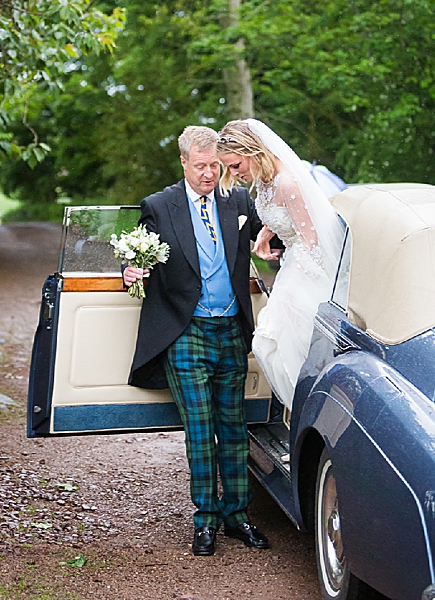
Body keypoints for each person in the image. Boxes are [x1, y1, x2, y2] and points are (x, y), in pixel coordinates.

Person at [124, 125, 269, 556]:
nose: (210, 174)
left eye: (216, 166)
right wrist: (129, 272)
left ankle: (237, 516)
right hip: (185, 332)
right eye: (202, 166)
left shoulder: (239, 200)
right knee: (201, 431)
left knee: (234, 428)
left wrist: (273, 245)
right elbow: (136, 256)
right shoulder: (158, 206)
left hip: (232, 331)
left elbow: (270, 235)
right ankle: (204, 521)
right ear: (184, 162)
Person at [217, 119, 345, 411]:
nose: (234, 174)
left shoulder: (288, 181)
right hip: (293, 267)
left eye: (236, 165)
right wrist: (265, 234)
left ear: (252, 151)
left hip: (308, 270)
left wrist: (291, 290)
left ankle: (313, 410)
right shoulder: (265, 178)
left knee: (277, 341)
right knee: (274, 344)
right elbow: (280, 216)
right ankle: (302, 410)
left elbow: (312, 242)